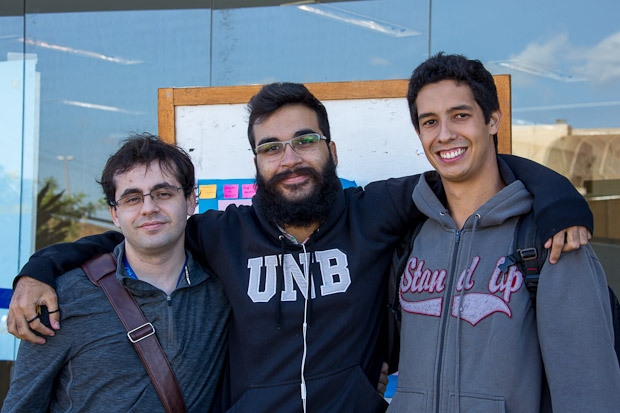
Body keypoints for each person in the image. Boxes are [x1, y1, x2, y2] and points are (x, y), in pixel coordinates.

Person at [7, 84, 592, 412]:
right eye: (271, 147)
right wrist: (41, 266)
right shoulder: (223, 233)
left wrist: (562, 199)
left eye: (304, 141)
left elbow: (475, 170)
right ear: (255, 161)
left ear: (330, 148)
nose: (290, 158)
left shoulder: (374, 211)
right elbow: (136, 231)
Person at [388, 53, 620, 412]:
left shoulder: (550, 239)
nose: (445, 134)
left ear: (493, 120)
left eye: (460, 115)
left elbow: (588, 390)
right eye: (430, 121)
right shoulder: (410, 236)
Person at [2, 135, 230, 412]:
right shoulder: (63, 299)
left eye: (164, 193)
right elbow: (23, 406)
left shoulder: (224, 291)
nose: (149, 208)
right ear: (114, 213)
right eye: (132, 198)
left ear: (191, 200)